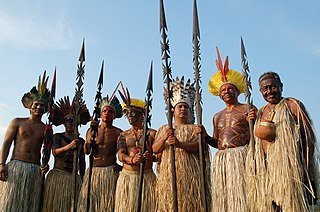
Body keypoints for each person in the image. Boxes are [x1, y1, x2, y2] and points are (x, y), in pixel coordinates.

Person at [246, 71, 319, 211]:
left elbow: (308, 136)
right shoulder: (261, 112)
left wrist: (306, 166)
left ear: (281, 86)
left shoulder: (292, 105)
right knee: (273, 206)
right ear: (260, 91)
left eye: (273, 87)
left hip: (290, 168)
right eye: (265, 89)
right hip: (267, 170)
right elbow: (256, 142)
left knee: (291, 205)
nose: (269, 91)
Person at [205, 48, 256, 211]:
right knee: (225, 198)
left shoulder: (247, 109)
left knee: (242, 196)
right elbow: (216, 142)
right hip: (222, 159)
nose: (226, 92)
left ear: (237, 91)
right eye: (223, 90)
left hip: (241, 156)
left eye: (230, 89)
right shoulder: (216, 116)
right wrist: (205, 137)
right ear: (219, 95)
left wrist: (253, 121)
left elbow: (256, 135)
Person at [153, 76, 211, 212]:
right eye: (180, 106)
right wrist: (164, 138)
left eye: (186, 106)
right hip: (170, 176)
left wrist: (179, 144)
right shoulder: (164, 128)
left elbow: (200, 147)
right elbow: (155, 149)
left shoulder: (195, 128)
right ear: (173, 109)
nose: (183, 109)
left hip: (191, 175)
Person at [0, 72, 51, 212]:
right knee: (10, 204)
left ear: (46, 109)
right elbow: (6, 143)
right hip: (17, 167)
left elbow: (47, 150)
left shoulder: (46, 129)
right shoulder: (17, 122)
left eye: (42, 105)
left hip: (35, 169)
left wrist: (44, 166)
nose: (39, 107)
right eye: (36, 104)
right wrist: (2, 163)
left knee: (30, 205)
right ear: (30, 106)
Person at [42, 96, 90, 211]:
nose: (70, 122)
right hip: (58, 176)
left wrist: (83, 180)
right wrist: (69, 146)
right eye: (67, 119)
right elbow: (55, 152)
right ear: (63, 122)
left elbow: (82, 162)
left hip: (73, 178)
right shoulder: (57, 137)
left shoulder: (81, 141)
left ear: (77, 122)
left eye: (72, 120)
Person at [77, 95, 123, 212]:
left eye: (110, 111)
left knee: (107, 206)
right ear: (101, 114)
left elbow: (123, 153)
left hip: (110, 173)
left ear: (114, 115)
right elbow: (87, 151)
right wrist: (91, 134)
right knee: (89, 205)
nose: (107, 113)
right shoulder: (91, 130)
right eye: (104, 111)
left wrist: (122, 168)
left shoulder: (118, 133)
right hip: (94, 171)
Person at [114, 94, 157, 212]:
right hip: (128, 177)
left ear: (142, 115)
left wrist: (151, 157)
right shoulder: (123, 135)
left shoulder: (152, 133)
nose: (130, 116)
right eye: (128, 113)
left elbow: (160, 155)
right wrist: (132, 160)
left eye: (133, 113)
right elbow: (120, 155)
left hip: (147, 177)